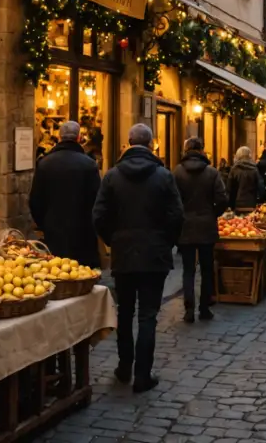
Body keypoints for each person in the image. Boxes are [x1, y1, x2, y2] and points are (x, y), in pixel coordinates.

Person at [93, 124, 184, 393]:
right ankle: (142, 375)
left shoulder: (111, 177)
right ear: (151, 144)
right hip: (154, 254)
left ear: (128, 142)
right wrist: (165, 241)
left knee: (125, 312)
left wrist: (114, 240)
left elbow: (98, 216)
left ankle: (124, 367)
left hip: (124, 253)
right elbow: (177, 216)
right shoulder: (163, 176)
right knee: (147, 316)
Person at [29, 120, 100, 267]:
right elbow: (97, 200)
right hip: (83, 230)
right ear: (79, 138)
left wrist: (45, 223)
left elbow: (35, 200)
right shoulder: (89, 164)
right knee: (82, 274)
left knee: (56, 272)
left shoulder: (45, 163)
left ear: (59, 137)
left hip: (54, 230)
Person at [173, 137, 227, 323]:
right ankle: (204, 308)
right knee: (206, 269)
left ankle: (189, 309)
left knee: (188, 270)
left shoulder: (178, 172)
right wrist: (212, 214)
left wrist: (180, 216)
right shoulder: (211, 173)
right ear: (202, 150)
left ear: (186, 149)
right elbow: (221, 199)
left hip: (186, 226)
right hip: (206, 226)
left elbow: (173, 200)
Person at [227, 146, 265, 212]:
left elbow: (229, 189)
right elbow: (261, 188)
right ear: (249, 156)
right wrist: (259, 200)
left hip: (237, 205)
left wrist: (230, 205)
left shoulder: (234, 169)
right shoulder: (254, 169)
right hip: (251, 204)